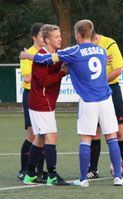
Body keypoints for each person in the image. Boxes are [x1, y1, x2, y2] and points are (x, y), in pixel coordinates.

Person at [20, 19, 123, 187]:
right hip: (106, 99)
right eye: (57, 36)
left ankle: (83, 179)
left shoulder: (74, 51)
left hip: (88, 101)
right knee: (112, 137)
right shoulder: (101, 50)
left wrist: (28, 56)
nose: (61, 39)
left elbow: (48, 59)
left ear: (78, 34)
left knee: (85, 139)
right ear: (91, 33)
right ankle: (118, 177)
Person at [20, 24, 69, 185]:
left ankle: (30, 174)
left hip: (43, 102)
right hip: (41, 102)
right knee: (51, 136)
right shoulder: (41, 56)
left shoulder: (53, 54)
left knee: (40, 137)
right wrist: (62, 72)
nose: (60, 39)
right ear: (47, 40)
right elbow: (44, 81)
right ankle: (53, 176)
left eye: (60, 35)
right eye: (56, 37)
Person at [87, 31, 123, 179]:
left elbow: (118, 70)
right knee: (95, 131)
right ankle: (93, 170)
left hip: (111, 90)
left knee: (119, 131)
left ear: (94, 37)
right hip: (93, 92)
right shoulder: (85, 47)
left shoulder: (110, 43)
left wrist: (100, 82)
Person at [19, 22, 46, 180]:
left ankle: (39, 170)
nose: (45, 38)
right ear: (34, 37)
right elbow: (28, 78)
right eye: (42, 35)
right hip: (30, 95)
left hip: (43, 96)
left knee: (43, 133)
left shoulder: (47, 53)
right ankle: (24, 169)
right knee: (33, 134)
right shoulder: (27, 54)